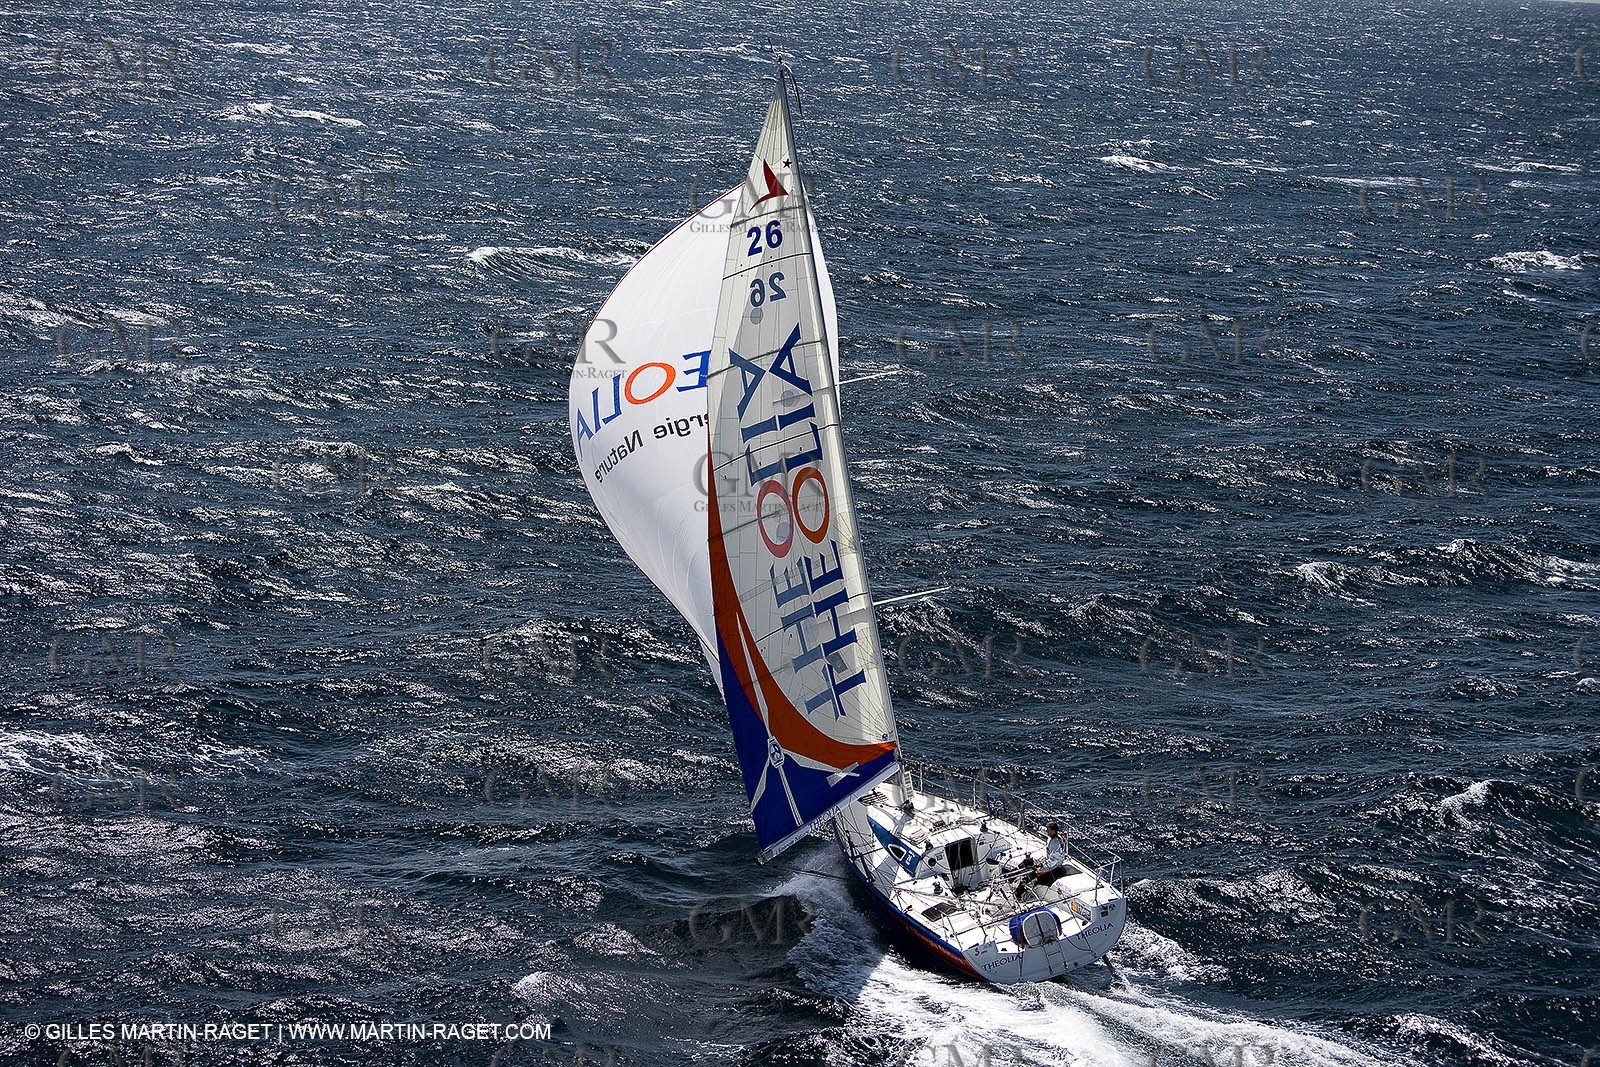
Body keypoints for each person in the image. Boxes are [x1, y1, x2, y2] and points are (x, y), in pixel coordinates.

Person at [1014, 821, 1068, 897]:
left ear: (1053, 831)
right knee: (1027, 862)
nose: (1046, 832)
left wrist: (1041, 865)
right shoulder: (1052, 836)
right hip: (1046, 861)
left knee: (1029, 877)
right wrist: (1035, 827)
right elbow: (1044, 831)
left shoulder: (1056, 843)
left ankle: (1018, 894)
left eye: (1048, 830)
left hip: (1051, 868)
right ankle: (1012, 876)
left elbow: (1053, 860)